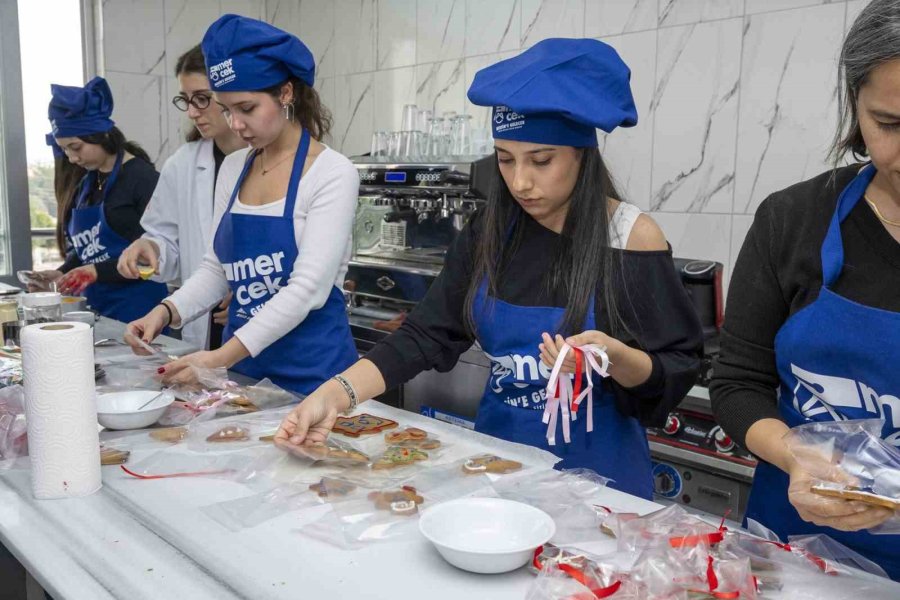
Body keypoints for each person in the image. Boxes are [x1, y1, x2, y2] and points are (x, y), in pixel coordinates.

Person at [275, 38, 703, 500]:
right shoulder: (490, 230)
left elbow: (673, 371)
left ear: (583, 154)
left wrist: (614, 357)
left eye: (541, 160)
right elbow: (426, 334)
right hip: (501, 474)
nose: (520, 181)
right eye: (505, 159)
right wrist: (336, 395)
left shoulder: (629, 236)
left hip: (601, 491)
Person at [710, 0, 900, 580]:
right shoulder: (792, 219)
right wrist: (793, 453)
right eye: (890, 125)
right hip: (794, 555)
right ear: (854, 109)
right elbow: (738, 382)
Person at [125, 15, 358, 395]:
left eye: (246, 108)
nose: (235, 123)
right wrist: (165, 311)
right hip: (245, 375)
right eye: (227, 109)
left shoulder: (332, 172)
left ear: (285, 94)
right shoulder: (235, 167)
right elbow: (216, 268)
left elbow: (308, 290)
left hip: (316, 377)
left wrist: (217, 358)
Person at [117, 44, 245, 350]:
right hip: (206, 324)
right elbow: (178, 249)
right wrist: (151, 248)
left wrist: (253, 298)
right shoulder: (184, 164)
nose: (192, 112)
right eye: (186, 101)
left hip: (270, 337)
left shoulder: (279, 163)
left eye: (202, 99)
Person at [40, 77, 167, 322]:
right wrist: (61, 273)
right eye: (64, 150)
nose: (72, 158)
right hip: (97, 309)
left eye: (75, 147)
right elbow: (87, 250)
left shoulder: (143, 178)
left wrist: (96, 271)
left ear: (101, 135)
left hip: (140, 311)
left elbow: (157, 252)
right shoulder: (86, 184)